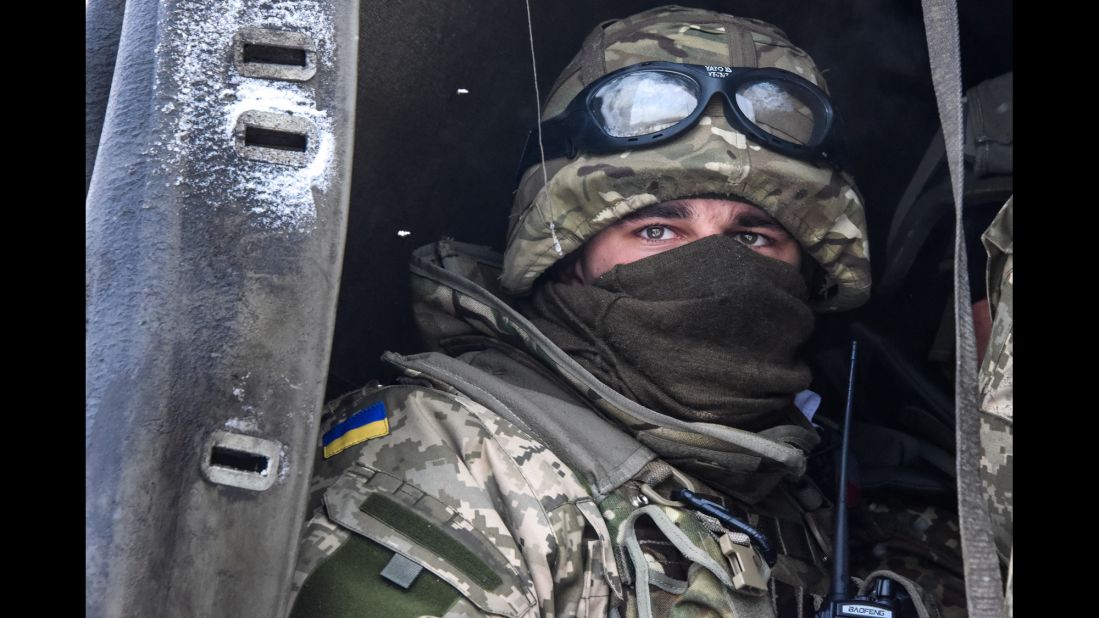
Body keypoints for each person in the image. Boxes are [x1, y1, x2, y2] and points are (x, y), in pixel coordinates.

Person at [288, 6, 955, 617]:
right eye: (657, 231)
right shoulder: (452, 464)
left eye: (754, 238)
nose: (716, 269)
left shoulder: (780, 481)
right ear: (569, 253)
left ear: (807, 270)